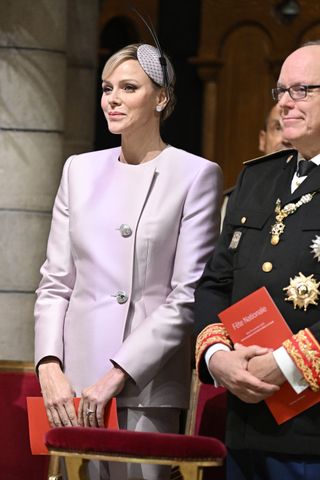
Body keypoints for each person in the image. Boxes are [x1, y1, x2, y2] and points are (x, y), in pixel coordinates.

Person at [34, 43, 223, 480]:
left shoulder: (195, 174)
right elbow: (55, 283)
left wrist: (117, 373)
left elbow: (186, 294)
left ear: (162, 97)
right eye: (106, 88)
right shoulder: (77, 170)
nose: (112, 99)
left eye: (128, 87)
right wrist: (49, 365)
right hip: (73, 386)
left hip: (146, 385)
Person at [195, 41, 320, 480]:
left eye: (301, 90)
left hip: (312, 428)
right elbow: (214, 282)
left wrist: (284, 364)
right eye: (281, 90)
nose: (285, 101)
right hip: (245, 422)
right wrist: (217, 357)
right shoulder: (257, 177)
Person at [220, 103, 292, 227]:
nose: (285, 139)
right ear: (262, 140)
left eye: (291, 127)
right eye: (278, 128)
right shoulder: (239, 196)